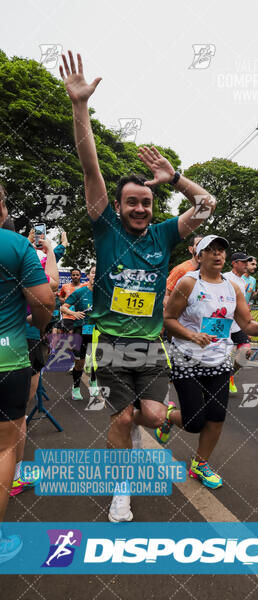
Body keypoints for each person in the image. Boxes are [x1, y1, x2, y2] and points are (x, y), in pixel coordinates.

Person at [60, 51, 216, 522]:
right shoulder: (105, 226)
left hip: (148, 345)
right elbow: (91, 168)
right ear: (119, 205)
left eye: (147, 202)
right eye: (132, 202)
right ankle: (120, 491)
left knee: (150, 415)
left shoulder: (165, 233)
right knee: (122, 418)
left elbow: (207, 205)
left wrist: (178, 180)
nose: (140, 209)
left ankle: (159, 429)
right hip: (109, 342)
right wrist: (79, 107)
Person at [159, 235, 258, 488]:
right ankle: (169, 417)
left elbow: (246, 324)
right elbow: (168, 319)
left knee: (217, 416)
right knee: (193, 421)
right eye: (210, 250)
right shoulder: (187, 283)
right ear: (199, 256)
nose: (217, 254)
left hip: (218, 359)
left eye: (221, 250)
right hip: (186, 357)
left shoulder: (233, 287)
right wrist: (192, 335)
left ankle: (200, 464)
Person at [0, 185, 54, 560]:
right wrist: (38, 324)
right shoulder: (16, 246)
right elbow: (44, 300)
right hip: (8, 355)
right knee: (4, 446)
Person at [61, 265, 98, 401]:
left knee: (96, 360)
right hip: (81, 329)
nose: (95, 275)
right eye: (93, 272)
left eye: (98, 273)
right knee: (80, 363)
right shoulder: (80, 292)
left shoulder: (104, 294)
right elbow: (63, 308)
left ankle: (93, 382)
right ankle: (76, 387)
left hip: (97, 330)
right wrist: (74, 313)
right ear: (88, 276)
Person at [223, 252, 252, 394]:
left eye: (247, 262)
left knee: (246, 352)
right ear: (234, 263)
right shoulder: (225, 277)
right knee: (222, 356)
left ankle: (230, 375)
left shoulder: (243, 282)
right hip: (225, 323)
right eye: (243, 262)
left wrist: (248, 325)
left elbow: (242, 304)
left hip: (238, 324)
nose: (246, 264)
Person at [163, 235, 203, 307]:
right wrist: (173, 313)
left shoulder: (210, 271)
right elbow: (165, 293)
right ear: (191, 249)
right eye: (198, 244)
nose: (202, 247)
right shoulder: (182, 269)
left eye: (204, 244)